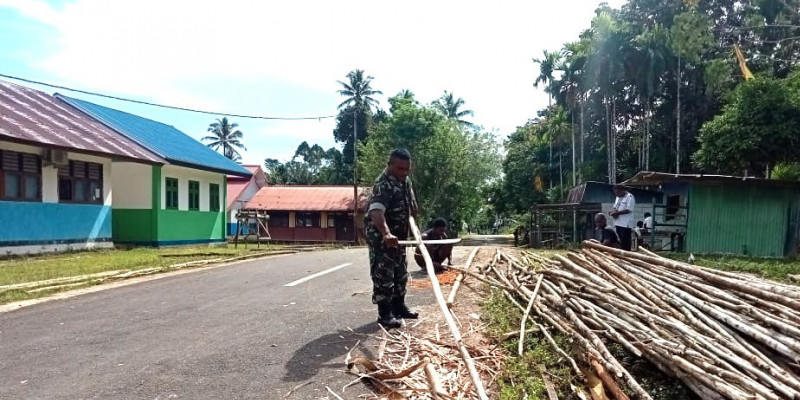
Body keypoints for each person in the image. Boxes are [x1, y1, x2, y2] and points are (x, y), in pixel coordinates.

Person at [364, 148, 419, 329]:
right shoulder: (383, 185)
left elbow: (410, 203)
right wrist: (386, 233)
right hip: (382, 237)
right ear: (390, 165)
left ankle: (399, 307)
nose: (403, 173)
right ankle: (385, 314)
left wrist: (413, 211)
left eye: (406, 169)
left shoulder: (405, 180)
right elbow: (376, 211)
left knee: (400, 272)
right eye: (400, 169)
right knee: (384, 275)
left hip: (399, 237)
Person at [610, 185, 635, 251]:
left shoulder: (630, 197)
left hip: (626, 223)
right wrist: (612, 212)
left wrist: (617, 213)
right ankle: (622, 254)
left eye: (618, 192)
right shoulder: (617, 197)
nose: (617, 194)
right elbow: (615, 207)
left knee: (625, 241)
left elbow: (629, 209)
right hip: (618, 222)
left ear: (622, 190)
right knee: (620, 240)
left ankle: (627, 255)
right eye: (615, 192)